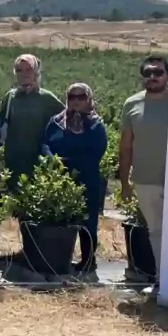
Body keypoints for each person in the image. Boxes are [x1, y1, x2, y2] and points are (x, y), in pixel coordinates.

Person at [43, 83, 107, 272]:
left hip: (87, 177)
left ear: (88, 99)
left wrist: (71, 162)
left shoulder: (96, 124)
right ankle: (60, 259)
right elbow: (45, 144)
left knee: (87, 221)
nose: (77, 101)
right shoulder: (55, 121)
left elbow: (97, 151)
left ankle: (88, 260)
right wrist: (52, 159)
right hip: (60, 177)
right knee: (61, 219)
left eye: (81, 97)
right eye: (72, 97)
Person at [119, 55, 168, 290]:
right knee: (156, 232)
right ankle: (162, 281)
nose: (152, 77)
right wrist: (125, 183)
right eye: (148, 73)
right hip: (145, 179)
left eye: (158, 72)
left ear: (167, 75)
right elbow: (126, 145)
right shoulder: (131, 104)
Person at [0, 54, 64, 186]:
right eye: (19, 70)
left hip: (38, 160)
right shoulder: (10, 97)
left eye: (28, 69)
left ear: (36, 72)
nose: (24, 74)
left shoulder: (47, 98)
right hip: (14, 161)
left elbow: (66, 118)